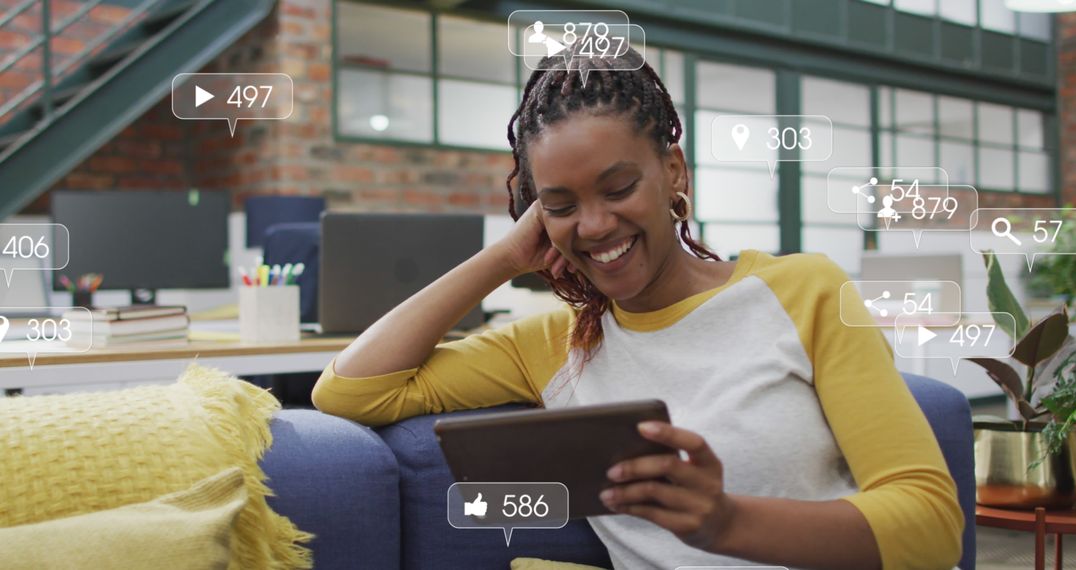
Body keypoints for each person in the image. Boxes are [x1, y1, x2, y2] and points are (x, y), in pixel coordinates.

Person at [313, 46, 963, 570]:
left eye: (618, 187)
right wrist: (505, 258)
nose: (594, 225)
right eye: (561, 205)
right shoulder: (553, 344)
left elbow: (932, 527)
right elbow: (349, 391)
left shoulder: (805, 291)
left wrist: (728, 523)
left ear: (674, 173)